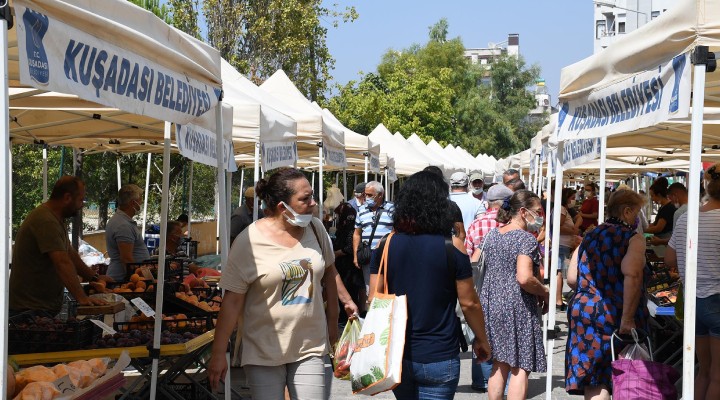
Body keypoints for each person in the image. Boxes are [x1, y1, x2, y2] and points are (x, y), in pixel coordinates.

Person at [207, 168, 359, 399]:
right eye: (304, 198)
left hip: (310, 346)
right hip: (263, 350)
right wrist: (218, 353)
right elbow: (232, 300)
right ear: (282, 207)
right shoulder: (248, 241)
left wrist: (342, 308)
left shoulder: (316, 229)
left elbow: (329, 270)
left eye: (312, 196)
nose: (313, 203)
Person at [368, 171, 491, 399]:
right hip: (440, 352)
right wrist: (481, 339)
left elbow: (373, 298)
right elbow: (469, 303)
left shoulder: (386, 244)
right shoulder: (452, 246)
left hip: (397, 353)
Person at [565, 189, 649, 400]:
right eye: (638, 211)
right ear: (627, 211)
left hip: (584, 311)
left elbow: (572, 278)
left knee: (595, 379)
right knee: (625, 377)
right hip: (616, 314)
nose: (638, 217)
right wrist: (628, 318)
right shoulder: (633, 238)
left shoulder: (589, 235)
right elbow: (633, 275)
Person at [479, 190, 548, 400]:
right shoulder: (526, 239)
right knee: (520, 366)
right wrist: (544, 292)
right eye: (537, 211)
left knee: (499, 363)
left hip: (491, 303)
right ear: (524, 212)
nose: (540, 216)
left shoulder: (492, 234)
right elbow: (525, 278)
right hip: (516, 306)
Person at [9, 177, 111, 315]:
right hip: (29, 309)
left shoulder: (55, 219)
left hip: (41, 306)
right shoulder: (46, 221)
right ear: (67, 197)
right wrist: (82, 298)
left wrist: (95, 278)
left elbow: (70, 254)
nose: (82, 205)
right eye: (80, 200)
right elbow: (62, 262)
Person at [666, 163, 720, 400]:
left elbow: (669, 259)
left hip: (693, 301)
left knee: (703, 371)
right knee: (717, 375)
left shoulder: (688, 217)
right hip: (716, 298)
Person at [463, 183, 513, 392]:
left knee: (479, 329)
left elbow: (467, 255)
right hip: (507, 285)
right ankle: (505, 383)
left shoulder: (476, 224)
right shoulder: (510, 224)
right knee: (506, 333)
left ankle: (481, 379)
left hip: (480, 285)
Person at [353, 181, 394, 294]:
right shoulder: (361, 210)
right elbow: (357, 233)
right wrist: (356, 255)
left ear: (380, 194)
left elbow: (397, 231)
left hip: (388, 255)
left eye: (370, 195)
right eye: (365, 194)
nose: (367, 197)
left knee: (387, 288)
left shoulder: (392, 208)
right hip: (368, 256)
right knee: (370, 290)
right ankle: (372, 310)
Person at [105, 184, 151, 281]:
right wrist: (142, 280)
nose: (141, 203)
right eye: (140, 201)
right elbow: (126, 259)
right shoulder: (123, 226)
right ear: (133, 203)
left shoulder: (122, 221)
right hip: (123, 280)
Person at [332, 202, 363, 327]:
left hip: (348, 266)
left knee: (349, 290)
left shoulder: (350, 229)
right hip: (344, 265)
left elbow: (350, 247)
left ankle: (347, 318)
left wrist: (337, 253)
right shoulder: (344, 227)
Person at [557, 187, 581, 311]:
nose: (574, 200)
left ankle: (558, 300)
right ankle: (558, 301)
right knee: (560, 272)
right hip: (562, 245)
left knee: (561, 272)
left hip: (565, 245)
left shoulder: (565, 210)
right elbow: (558, 227)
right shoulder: (561, 209)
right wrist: (573, 231)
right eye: (572, 198)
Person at [644, 178, 676, 255]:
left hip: (664, 242)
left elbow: (658, 228)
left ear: (659, 195)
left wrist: (643, 229)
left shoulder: (668, 208)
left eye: (652, 196)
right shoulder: (663, 207)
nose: (652, 199)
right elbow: (654, 224)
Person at [650, 182, 687, 247]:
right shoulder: (698, 207)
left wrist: (660, 241)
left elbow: (675, 239)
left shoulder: (679, 212)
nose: (671, 202)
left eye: (670, 198)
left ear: (675, 195)